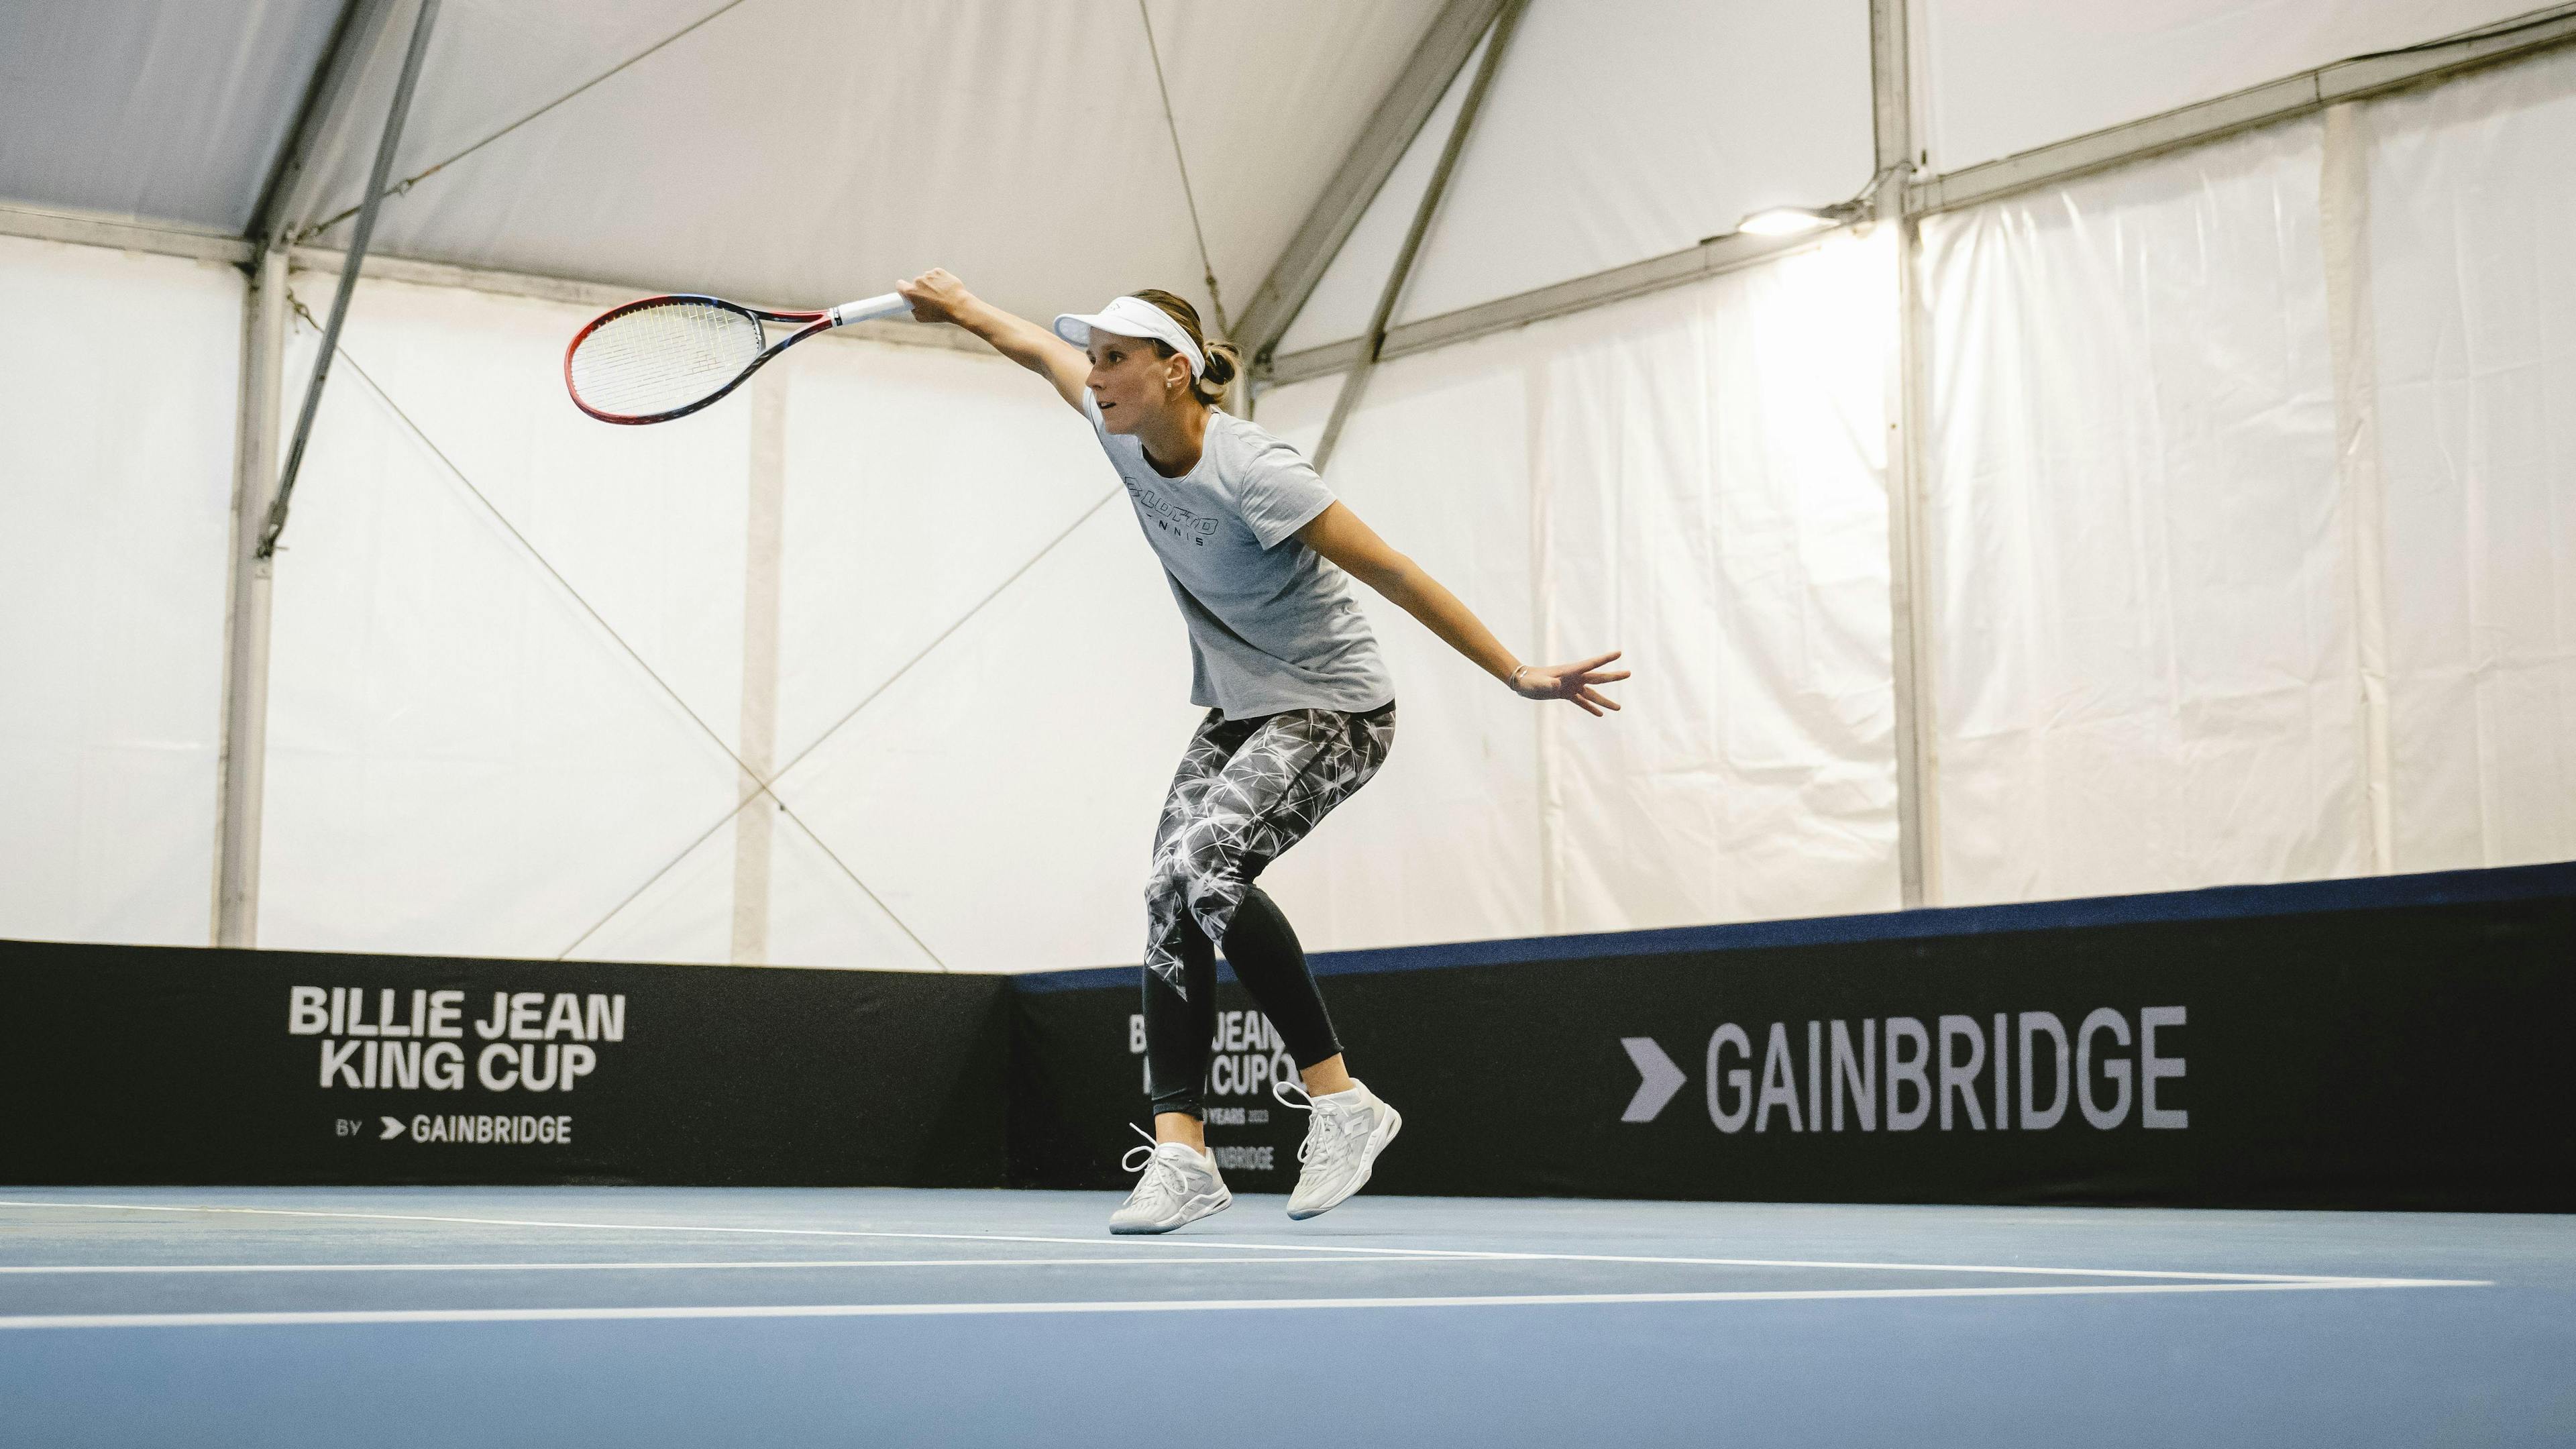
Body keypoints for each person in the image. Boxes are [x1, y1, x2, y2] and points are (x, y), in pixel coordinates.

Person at [895, 270, 1628, 1234]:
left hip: (1336, 710)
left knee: (1208, 865)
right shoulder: (1116, 426)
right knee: (1168, 889)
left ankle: (1342, 1102)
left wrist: (1515, 670)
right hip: (1242, 709)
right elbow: (1034, 349)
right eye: (1097, 359)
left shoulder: (1257, 470)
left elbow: (1397, 573)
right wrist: (960, 308)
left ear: (1176, 371)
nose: (1096, 373)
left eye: (1115, 359)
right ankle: (1183, 1154)